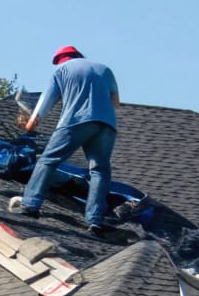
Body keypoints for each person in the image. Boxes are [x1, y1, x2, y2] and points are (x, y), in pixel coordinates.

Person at [10, 46, 120, 234]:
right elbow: (115, 102)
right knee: (100, 171)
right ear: (79, 56)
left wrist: (30, 124)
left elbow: (45, 101)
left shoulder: (62, 70)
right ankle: (95, 220)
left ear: (61, 61)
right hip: (107, 124)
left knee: (47, 161)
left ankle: (30, 205)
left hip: (76, 121)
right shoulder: (105, 69)